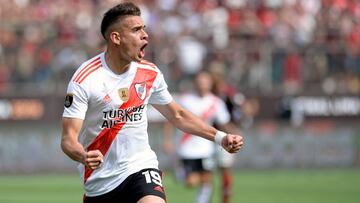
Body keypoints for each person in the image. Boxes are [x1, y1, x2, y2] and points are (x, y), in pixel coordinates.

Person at [61, 2, 243, 203]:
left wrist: (220, 137)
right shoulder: (85, 79)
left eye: (144, 29)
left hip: (141, 167)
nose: (145, 35)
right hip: (100, 182)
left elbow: (178, 115)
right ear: (116, 38)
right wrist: (83, 156)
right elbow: (68, 139)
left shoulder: (150, 73)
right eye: (136, 30)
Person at [163, 71, 242, 203]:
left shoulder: (216, 102)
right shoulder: (185, 99)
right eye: (200, 82)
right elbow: (171, 120)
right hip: (186, 149)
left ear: (210, 84)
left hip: (206, 149)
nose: (202, 85)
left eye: (205, 82)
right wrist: (167, 140)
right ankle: (179, 173)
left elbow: (224, 123)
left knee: (207, 181)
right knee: (191, 182)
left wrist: (234, 135)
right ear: (195, 83)